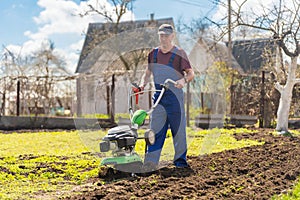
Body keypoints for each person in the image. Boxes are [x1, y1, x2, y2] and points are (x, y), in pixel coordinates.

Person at [139, 23, 194, 170]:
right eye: (161, 35)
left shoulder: (179, 53)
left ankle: (180, 162)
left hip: (175, 97)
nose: (163, 38)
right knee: (155, 130)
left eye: (166, 36)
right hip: (158, 97)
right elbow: (147, 73)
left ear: (172, 36)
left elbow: (190, 73)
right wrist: (142, 85)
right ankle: (151, 162)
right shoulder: (153, 54)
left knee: (178, 131)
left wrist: (183, 80)